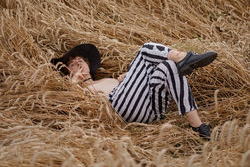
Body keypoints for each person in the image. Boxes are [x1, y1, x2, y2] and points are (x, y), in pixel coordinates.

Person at [51, 42, 217, 139]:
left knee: (169, 66)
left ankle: (199, 127)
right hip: (122, 112)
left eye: (81, 60)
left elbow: (134, 87)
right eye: (73, 64)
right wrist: (74, 83)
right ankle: (184, 57)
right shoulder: (74, 90)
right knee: (145, 49)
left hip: (152, 109)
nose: (79, 63)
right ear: (68, 72)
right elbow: (72, 107)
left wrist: (129, 77)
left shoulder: (108, 80)